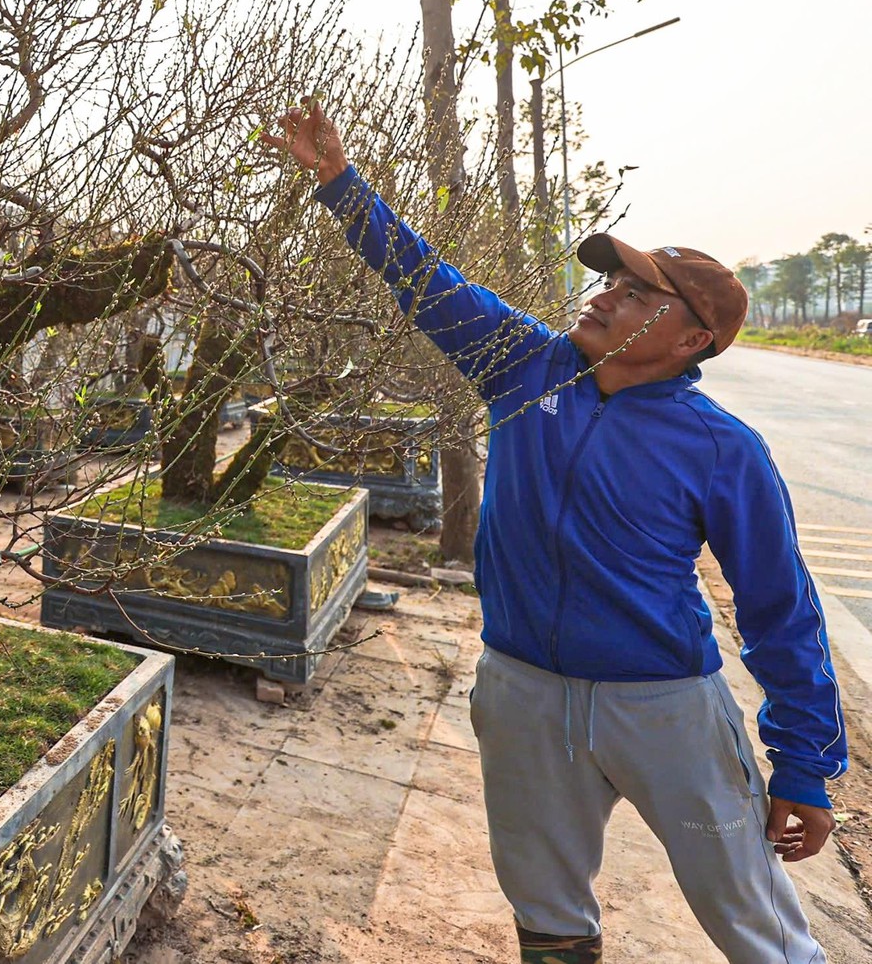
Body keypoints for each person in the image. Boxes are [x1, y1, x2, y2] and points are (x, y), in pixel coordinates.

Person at [262, 100, 845, 964]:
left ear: (692, 338)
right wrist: (343, 185)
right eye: (612, 282)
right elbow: (423, 277)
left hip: (664, 706)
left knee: (756, 925)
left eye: (637, 293)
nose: (605, 296)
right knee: (546, 911)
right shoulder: (522, 364)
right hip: (523, 692)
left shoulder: (723, 449)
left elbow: (779, 609)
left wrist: (803, 764)